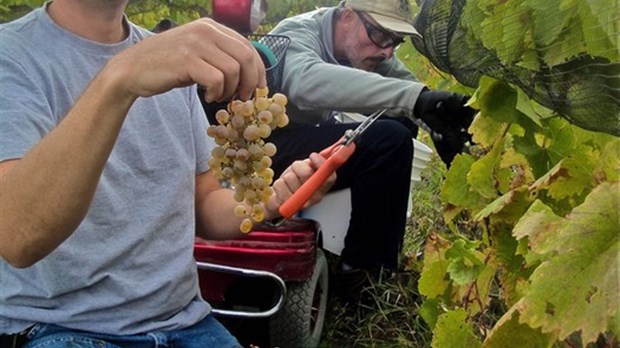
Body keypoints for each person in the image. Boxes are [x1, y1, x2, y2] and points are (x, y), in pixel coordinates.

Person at [0, 0, 334, 345]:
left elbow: (204, 202)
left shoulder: (173, 61)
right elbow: (18, 237)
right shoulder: (10, 56)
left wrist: (270, 201)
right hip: (57, 329)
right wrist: (120, 78)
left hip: (185, 322)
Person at [262, 0, 477, 293]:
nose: (387, 50)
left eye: (395, 42)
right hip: (263, 153)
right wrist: (412, 99)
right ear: (348, 16)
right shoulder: (297, 33)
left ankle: (367, 250)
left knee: (402, 125)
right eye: (380, 36)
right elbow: (305, 83)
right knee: (389, 139)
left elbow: (412, 90)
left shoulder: (368, 45)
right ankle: (360, 272)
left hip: (302, 138)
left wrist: (440, 122)